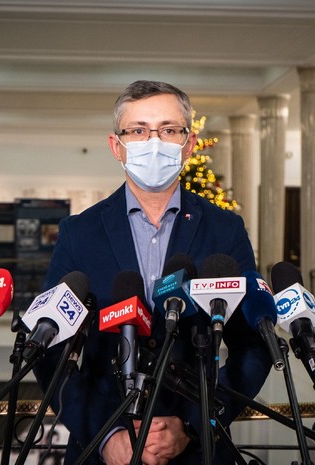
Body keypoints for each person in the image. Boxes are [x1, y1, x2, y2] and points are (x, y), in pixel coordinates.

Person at [33, 80, 272, 465]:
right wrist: (105, 435)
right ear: (117, 146)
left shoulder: (224, 230)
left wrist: (195, 424)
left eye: (169, 130)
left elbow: (252, 346)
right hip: (103, 451)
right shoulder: (79, 233)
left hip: (197, 453)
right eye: (139, 131)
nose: (154, 142)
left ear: (189, 144)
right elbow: (50, 350)